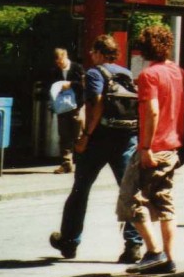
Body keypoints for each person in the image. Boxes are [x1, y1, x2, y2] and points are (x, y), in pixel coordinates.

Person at [49, 36, 144, 263]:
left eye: (93, 52)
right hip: (125, 138)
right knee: (129, 191)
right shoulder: (127, 74)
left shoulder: (94, 73)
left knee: (80, 191)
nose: (91, 56)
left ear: (100, 53)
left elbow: (96, 103)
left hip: (99, 140)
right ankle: (133, 244)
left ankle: (69, 241)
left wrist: (86, 136)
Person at [116, 25, 184, 275]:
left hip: (153, 147)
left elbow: (152, 111)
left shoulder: (150, 75)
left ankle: (153, 251)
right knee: (165, 203)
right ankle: (169, 259)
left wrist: (146, 146)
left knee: (129, 199)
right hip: (172, 147)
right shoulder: (178, 72)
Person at [49, 48, 86, 174]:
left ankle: (81, 163)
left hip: (77, 106)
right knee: (64, 134)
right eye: (57, 63)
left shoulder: (77, 68)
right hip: (62, 107)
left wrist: (70, 84)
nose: (60, 65)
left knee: (77, 134)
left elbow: (83, 85)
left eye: (61, 62)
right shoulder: (55, 71)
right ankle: (66, 164)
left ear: (66, 56)